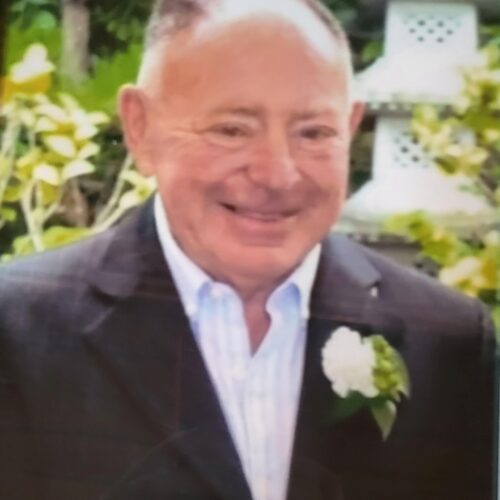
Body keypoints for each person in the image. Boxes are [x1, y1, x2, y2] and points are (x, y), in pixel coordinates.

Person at [0, 1, 495, 499]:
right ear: (140, 127)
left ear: (351, 126)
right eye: (231, 130)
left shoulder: (444, 343)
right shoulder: (20, 331)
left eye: (313, 133)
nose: (276, 174)